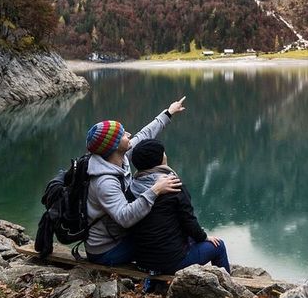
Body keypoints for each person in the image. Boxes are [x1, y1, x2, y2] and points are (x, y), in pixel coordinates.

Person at [84, 97, 186, 266]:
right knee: (162, 240)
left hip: (118, 235)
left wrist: (169, 112)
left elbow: (145, 134)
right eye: (123, 134)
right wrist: (155, 190)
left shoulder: (119, 157)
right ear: (115, 145)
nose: (129, 134)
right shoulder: (104, 182)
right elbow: (125, 217)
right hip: (106, 250)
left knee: (164, 231)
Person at [129, 138, 230, 277]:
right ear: (159, 159)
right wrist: (204, 237)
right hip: (170, 263)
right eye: (163, 153)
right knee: (218, 246)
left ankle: (152, 282)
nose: (166, 155)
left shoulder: (132, 186)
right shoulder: (173, 186)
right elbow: (188, 221)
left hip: (142, 261)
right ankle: (228, 289)